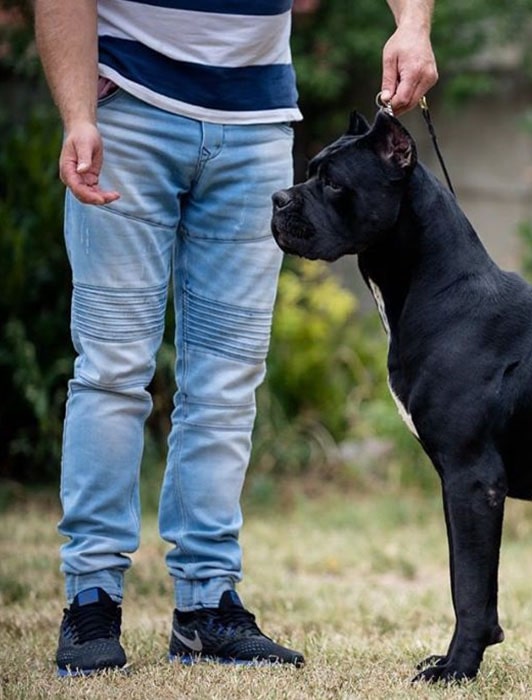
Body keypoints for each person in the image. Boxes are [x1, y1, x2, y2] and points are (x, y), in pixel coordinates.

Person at [35, 0, 438, 677]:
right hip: (129, 107)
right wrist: (78, 114)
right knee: (112, 371)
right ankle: (92, 602)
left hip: (256, 121)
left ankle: (205, 608)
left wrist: (414, 24)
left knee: (226, 381)